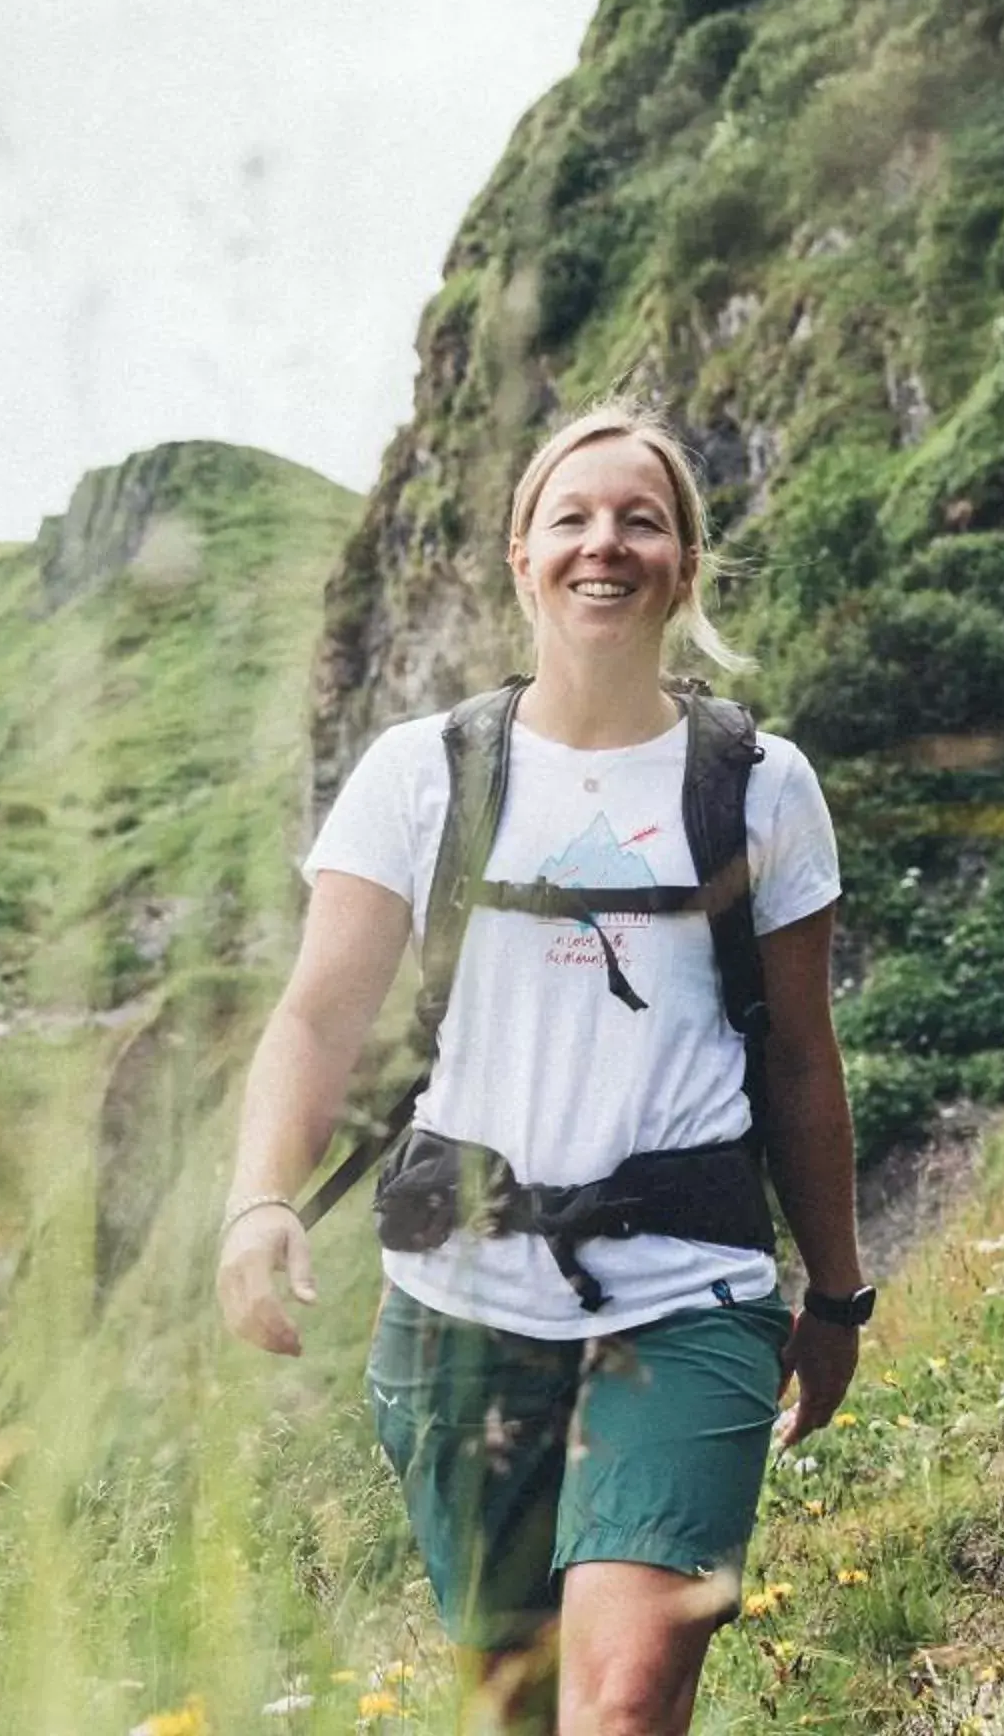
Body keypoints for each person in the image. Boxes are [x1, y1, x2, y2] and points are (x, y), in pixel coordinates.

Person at [216, 404, 871, 1735]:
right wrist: (259, 1197)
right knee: (511, 1702)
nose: (604, 545)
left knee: (623, 1700)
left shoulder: (761, 784)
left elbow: (802, 1061)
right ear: (522, 554)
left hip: (688, 1296)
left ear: (684, 564)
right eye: (571, 518)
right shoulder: (421, 775)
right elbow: (315, 1019)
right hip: (459, 1307)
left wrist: (840, 1296)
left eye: (641, 520)